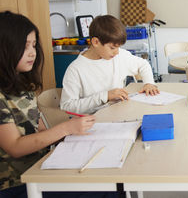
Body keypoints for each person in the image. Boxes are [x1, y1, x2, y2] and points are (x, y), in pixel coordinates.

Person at [0, 11, 118, 198]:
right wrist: (66, 128)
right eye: (24, 46)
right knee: (102, 189)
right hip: (14, 185)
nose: (33, 52)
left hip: (39, 169)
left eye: (34, 45)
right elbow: (15, 147)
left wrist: (79, 135)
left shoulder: (22, 87)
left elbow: (40, 130)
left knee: (109, 180)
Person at [60, 15, 159, 114]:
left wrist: (149, 83)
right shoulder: (76, 69)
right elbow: (67, 107)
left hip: (118, 113)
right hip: (93, 121)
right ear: (95, 42)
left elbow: (143, 64)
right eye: (112, 48)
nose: (117, 52)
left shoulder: (119, 56)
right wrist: (105, 96)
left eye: (118, 47)